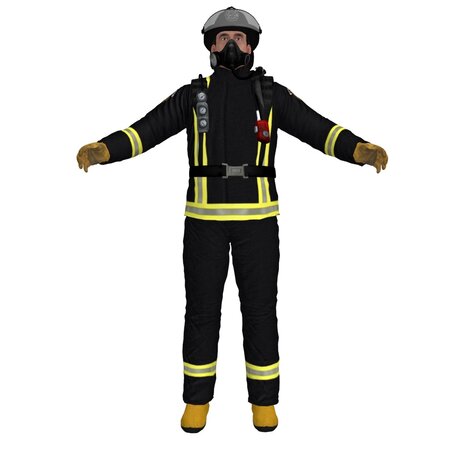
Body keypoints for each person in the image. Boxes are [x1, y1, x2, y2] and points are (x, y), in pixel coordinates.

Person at [77, 6, 388, 433]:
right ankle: (196, 402)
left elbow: (318, 128)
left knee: (260, 312)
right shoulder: (193, 96)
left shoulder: (271, 96)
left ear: (251, 47)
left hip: (258, 224)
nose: (231, 45)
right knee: (201, 313)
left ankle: (264, 403)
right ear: (210, 46)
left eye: (239, 38)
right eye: (223, 38)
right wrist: (105, 150)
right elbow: (147, 130)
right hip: (203, 224)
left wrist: (358, 150)